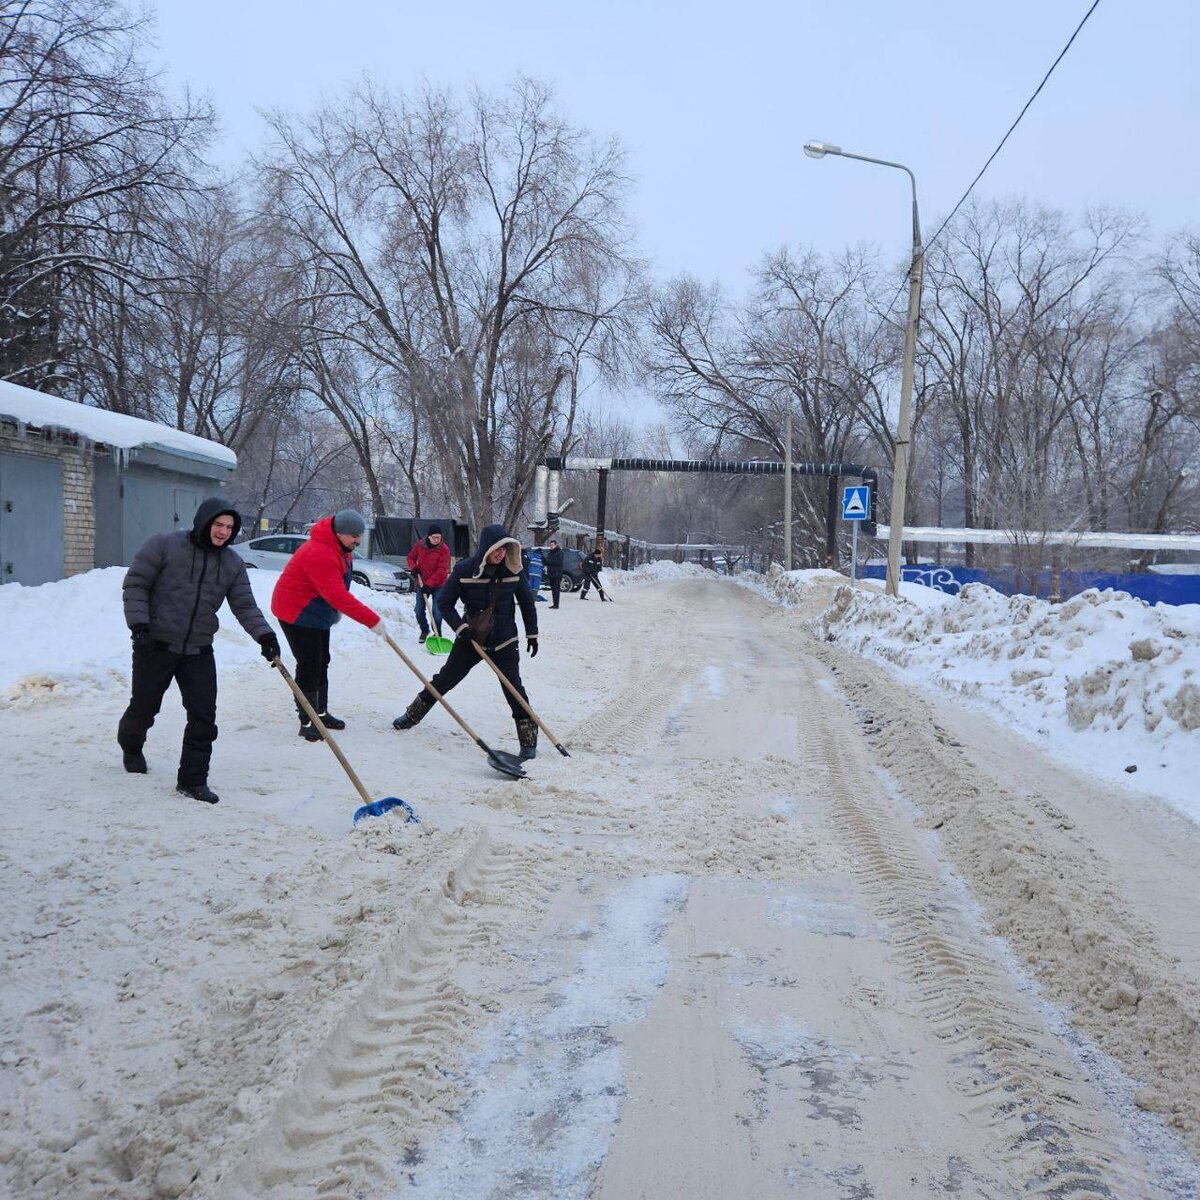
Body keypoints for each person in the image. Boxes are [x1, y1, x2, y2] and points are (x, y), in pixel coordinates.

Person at [118, 498, 280, 804]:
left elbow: (244, 605)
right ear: (204, 521)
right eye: (218, 524)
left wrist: (265, 635)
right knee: (144, 708)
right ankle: (130, 744)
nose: (223, 532)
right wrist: (139, 625)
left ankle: (192, 781)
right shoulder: (164, 545)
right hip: (155, 644)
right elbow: (136, 584)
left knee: (204, 717)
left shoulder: (231, 563)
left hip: (199, 649)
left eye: (229, 528)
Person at [393, 522, 540, 760]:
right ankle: (412, 715)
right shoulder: (464, 570)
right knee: (444, 680)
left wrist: (532, 633)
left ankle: (528, 740)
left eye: (505, 549)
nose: (501, 554)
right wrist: (461, 629)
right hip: (471, 639)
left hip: (504, 640)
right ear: (486, 548)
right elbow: (445, 603)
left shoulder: (514, 571)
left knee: (514, 688)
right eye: (497, 549)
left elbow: (526, 603)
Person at [271, 509, 388, 742]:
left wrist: (333, 612)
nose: (357, 540)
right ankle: (308, 721)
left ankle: (320, 714)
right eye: (354, 536)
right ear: (339, 533)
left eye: (359, 536)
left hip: (316, 611)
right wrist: (371, 620)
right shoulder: (320, 552)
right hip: (297, 611)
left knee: (322, 661)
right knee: (310, 664)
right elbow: (336, 594)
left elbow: (337, 587)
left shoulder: (342, 549)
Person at [406, 526, 451, 643]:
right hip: (422, 583)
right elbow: (410, 557)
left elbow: (442, 569)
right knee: (419, 610)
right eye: (434, 537)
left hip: (438, 585)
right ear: (429, 537)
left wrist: (430, 584)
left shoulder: (444, 549)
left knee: (437, 613)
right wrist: (414, 568)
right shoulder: (420, 545)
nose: (437, 540)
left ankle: (437, 633)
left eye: (439, 537)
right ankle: (424, 630)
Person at [543, 539, 564, 608]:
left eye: (552, 545)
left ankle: (556, 604)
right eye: (550, 545)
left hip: (557, 574)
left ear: (556, 545)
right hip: (551, 573)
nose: (551, 546)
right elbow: (547, 563)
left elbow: (559, 562)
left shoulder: (559, 552)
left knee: (556, 590)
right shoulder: (550, 553)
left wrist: (550, 561)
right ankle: (554, 604)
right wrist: (544, 559)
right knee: (553, 590)